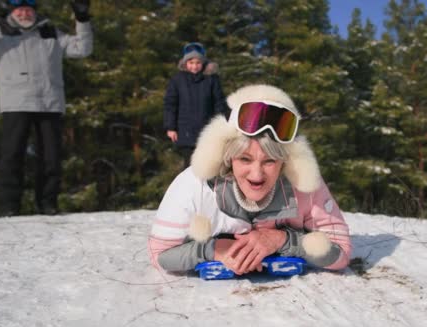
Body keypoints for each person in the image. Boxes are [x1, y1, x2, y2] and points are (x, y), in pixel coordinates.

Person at [149, 84, 352, 275]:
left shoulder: (305, 187)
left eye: (270, 161)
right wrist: (211, 249)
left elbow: (341, 254)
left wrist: (283, 240)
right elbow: (159, 255)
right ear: (228, 158)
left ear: (286, 162)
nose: (256, 174)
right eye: (245, 159)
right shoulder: (194, 186)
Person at [0, 0, 93, 216]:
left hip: (49, 102)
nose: (24, 13)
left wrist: (82, 20)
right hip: (16, 103)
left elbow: (82, 49)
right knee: (11, 156)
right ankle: (8, 206)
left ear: (34, 11)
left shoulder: (49, 31)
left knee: (51, 157)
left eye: (28, 9)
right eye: (20, 9)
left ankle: (47, 204)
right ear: (12, 11)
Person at [163, 42, 228, 169]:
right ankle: (189, 188)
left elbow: (219, 102)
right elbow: (170, 104)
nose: (194, 66)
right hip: (185, 129)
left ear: (203, 63)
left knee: (208, 163)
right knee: (190, 164)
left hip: (207, 129)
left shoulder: (211, 79)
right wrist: (171, 127)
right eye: (191, 63)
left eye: (198, 63)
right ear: (185, 63)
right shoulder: (178, 80)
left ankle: (208, 187)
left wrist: (221, 123)